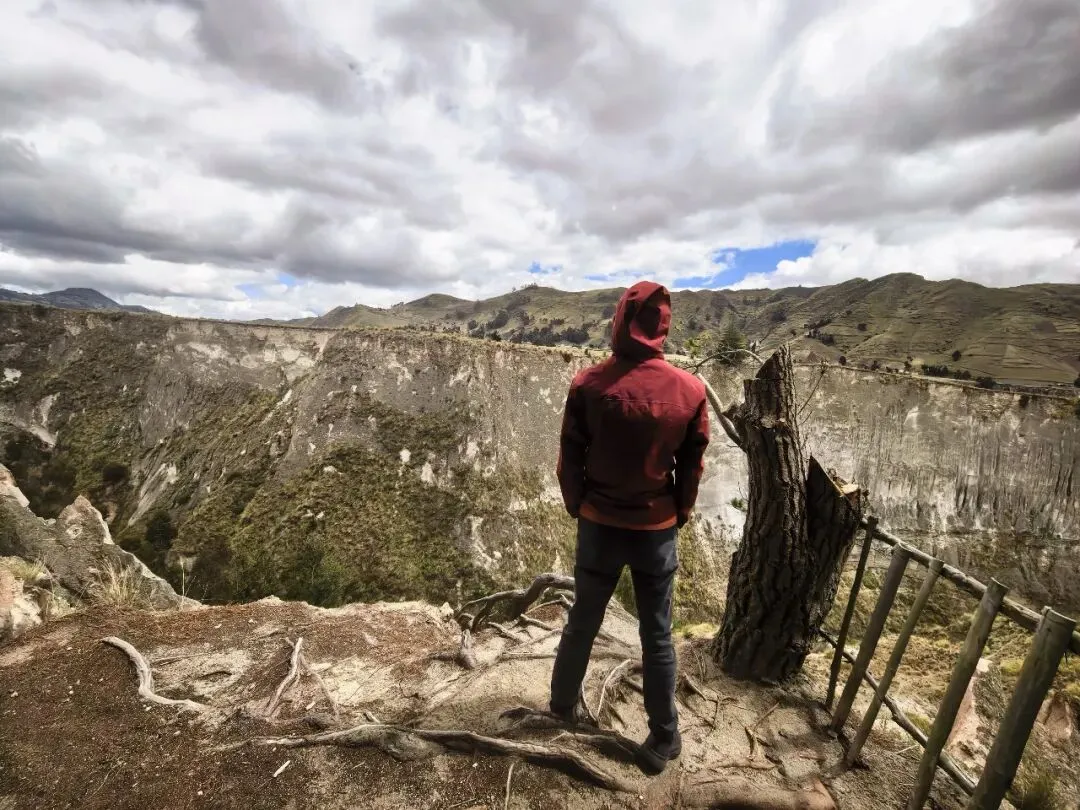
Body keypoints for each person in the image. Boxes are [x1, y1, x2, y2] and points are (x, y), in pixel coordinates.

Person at [549, 280, 710, 774]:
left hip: (599, 523)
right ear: (661, 328)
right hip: (655, 529)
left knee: (582, 620)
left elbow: (570, 454)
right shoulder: (690, 390)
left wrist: (579, 504)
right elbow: (693, 462)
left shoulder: (590, 385)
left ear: (620, 319)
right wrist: (679, 512)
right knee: (657, 635)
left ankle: (560, 709)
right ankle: (664, 737)